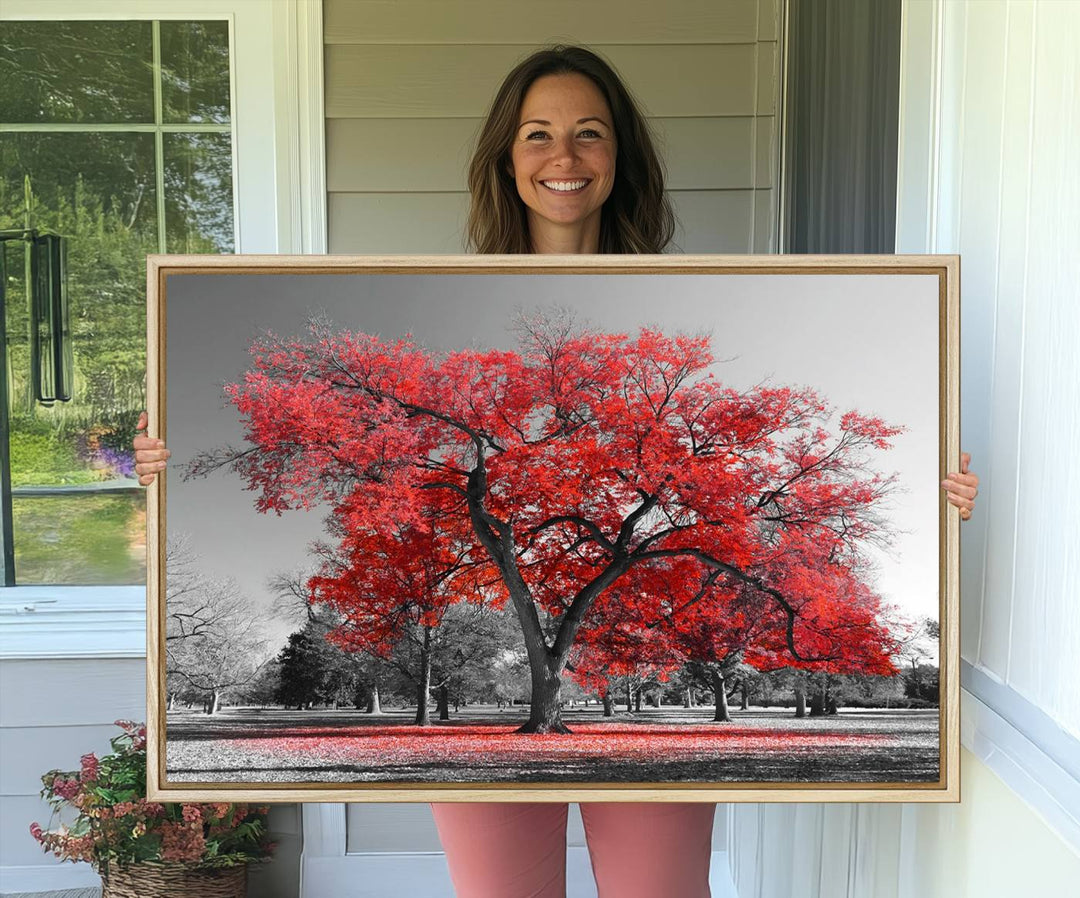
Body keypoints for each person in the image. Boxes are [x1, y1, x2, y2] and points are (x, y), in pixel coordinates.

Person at [133, 45, 979, 898]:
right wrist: (165, 474)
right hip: (502, 687)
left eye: (589, 133)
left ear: (620, 157)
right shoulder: (439, 293)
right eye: (537, 134)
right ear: (507, 156)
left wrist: (936, 497)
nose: (563, 157)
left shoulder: (694, 299)